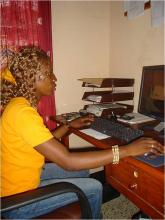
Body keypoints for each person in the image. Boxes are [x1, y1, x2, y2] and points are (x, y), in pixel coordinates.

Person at [1, 46, 163, 219]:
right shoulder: (23, 113)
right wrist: (127, 150)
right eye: (49, 73)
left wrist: (70, 125)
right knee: (94, 187)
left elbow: (44, 142)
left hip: (19, 182)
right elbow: (68, 161)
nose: (54, 78)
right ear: (37, 78)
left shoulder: (18, 106)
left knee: (82, 173)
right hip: (18, 203)